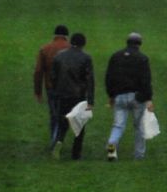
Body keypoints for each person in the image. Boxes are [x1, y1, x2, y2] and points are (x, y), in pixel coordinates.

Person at [104, 32, 154, 161]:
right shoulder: (142, 58)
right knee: (139, 127)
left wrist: (111, 95)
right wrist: (148, 98)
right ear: (139, 44)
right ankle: (139, 155)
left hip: (119, 96)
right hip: (137, 97)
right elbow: (146, 80)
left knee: (118, 125)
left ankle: (111, 147)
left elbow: (109, 77)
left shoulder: (116, 57)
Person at [49, 32, 94, 160]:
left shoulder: (59, 56)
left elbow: (52, 76)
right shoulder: (86, 58)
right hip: (78, 96)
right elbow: (90, 80)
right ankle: (76, 154)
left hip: (62, 95)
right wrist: (90, 100)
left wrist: (57, 89)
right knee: (79, 125)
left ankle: (59, 141)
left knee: (62, 122)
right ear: (83, 44)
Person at [33, 23, 71, 151]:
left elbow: (38, 71)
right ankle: (58, 139)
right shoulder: (71, 49)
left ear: (54, 35)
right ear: (66, 36)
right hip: (68, 88)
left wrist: (38, 92)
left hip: (51, 87)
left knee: (54, 115)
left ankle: (54, 140)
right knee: (65, 115)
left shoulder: (45, 49)